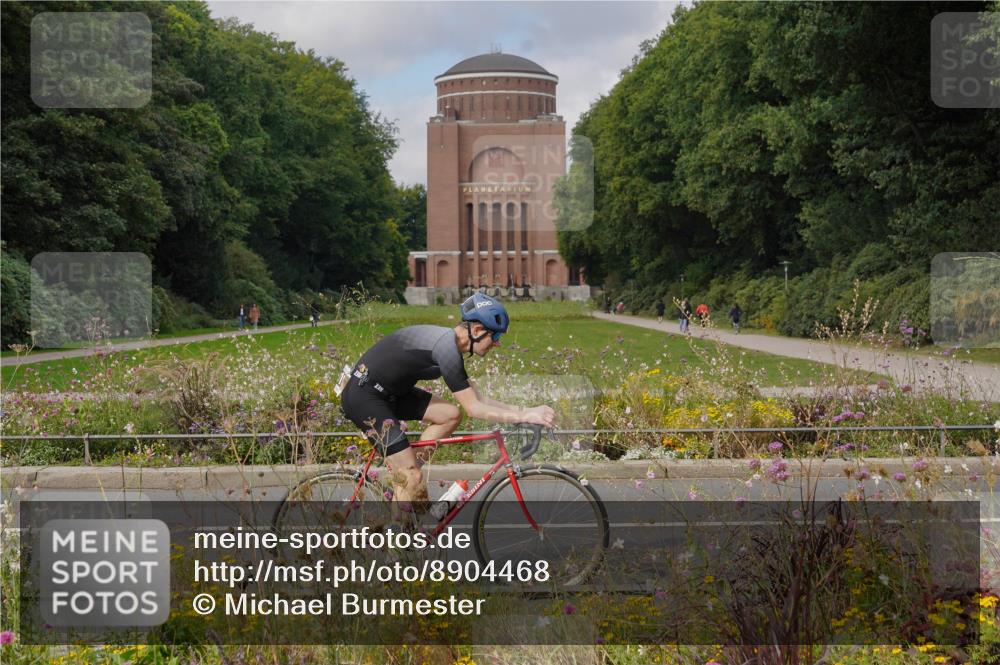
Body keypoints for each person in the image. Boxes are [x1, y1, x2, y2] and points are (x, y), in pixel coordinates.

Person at [339, 293, 555, 512]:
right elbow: (474, 409)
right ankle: (398, 534)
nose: (497, 344)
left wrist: (527, 410)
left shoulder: (449, 347)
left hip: (389, 393)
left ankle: (405, 481)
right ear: (478, 331)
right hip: (365, 396)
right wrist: (525, 417)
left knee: (449, 415)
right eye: (496, 336)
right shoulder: (446, 349)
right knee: (411, 474)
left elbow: (479, 399)